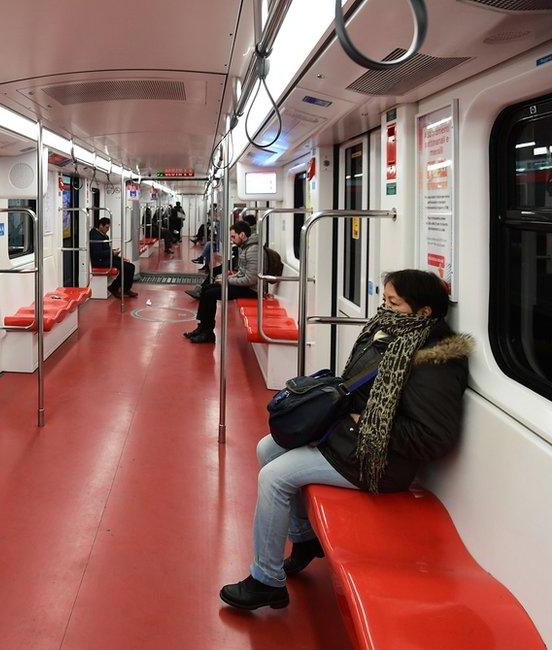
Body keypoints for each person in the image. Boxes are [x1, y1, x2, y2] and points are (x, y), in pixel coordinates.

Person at [219, 269, 472, 610]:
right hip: (350, 437)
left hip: (379, 460)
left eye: (393, 303)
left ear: (423, 312)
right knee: (267, 448)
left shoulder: (434, 363)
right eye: (384, 300)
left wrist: (363, 420)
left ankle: (266, 580)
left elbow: (432, 437)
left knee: (274, 478)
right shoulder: (390, 335)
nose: (383, 309)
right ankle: (304, 538)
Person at [183, 221, 259, 343]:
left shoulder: (253, 250)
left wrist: (227, 281)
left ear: (243, 235)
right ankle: (202, 327)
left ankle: (208, 333)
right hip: (244, 286)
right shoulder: (246, 248)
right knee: (207, 289)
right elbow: (242, 272)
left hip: (251, 290)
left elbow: (251, 279)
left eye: (234, 237)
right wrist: (225, 279)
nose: (232, 240)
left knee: (210, 294)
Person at [89, 217, 137, 298]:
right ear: (101, 226)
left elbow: (105, 250)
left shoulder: (103, 235)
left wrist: (113, 252)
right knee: (127, 268)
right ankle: (114, 287)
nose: (108, 229)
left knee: (131, 266)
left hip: (106, 258)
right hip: (99, 261)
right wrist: (112, 252)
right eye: (106, 227)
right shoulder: (95, 236)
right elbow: (98, 253)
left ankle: (125, 289)